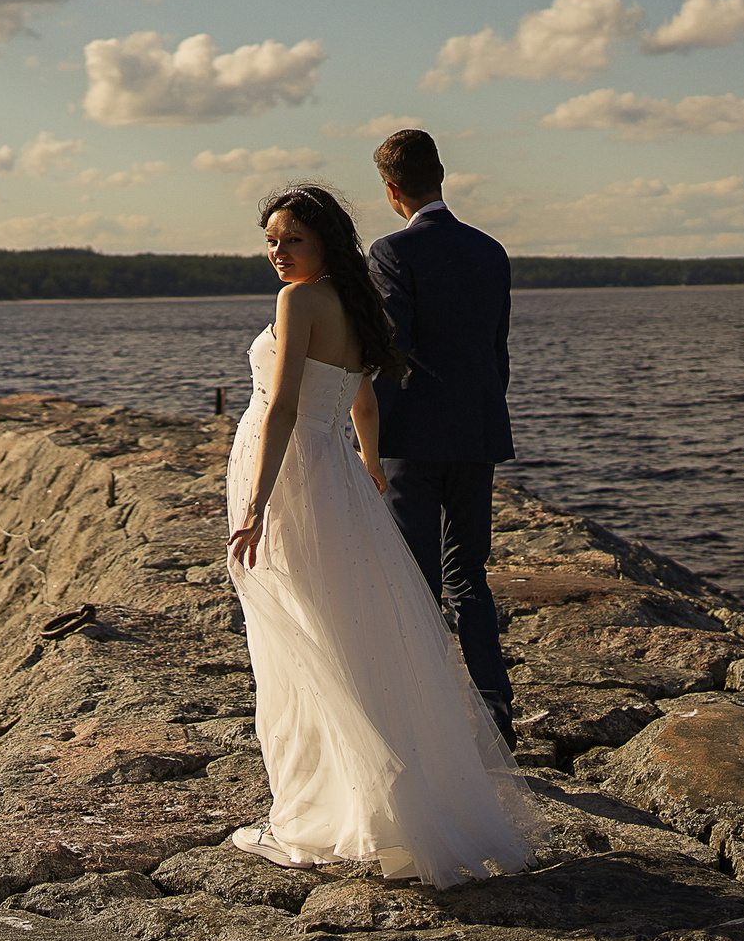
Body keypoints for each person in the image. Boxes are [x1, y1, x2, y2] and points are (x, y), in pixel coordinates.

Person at [224, 184, 544, 886]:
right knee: (347, 634)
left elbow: (280, 407)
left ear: (326, 241)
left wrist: (255, 503)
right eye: (272, 240)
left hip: (293, 475)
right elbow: (363, 398)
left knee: (298, 639)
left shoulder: (299, 301)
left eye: (292, 240)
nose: (278, 253)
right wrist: (367, 464)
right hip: (333, 472)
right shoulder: (356, 301)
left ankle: (312, 809)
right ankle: (380, 808)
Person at [366, 129, 517, 742]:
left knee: (416, 577)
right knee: (469, 574)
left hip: (413, 436)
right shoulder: (490, 251)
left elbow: (389, 346)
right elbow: (496, 352)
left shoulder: (391, 252)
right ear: (443, 176)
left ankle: (426, 718)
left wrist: (366, 437)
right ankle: (495, 711)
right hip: (477, 431)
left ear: (392, 189)